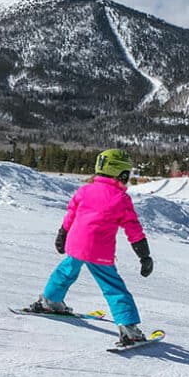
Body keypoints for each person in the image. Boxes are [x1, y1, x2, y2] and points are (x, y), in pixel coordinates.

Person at [25, 148, 155, 346]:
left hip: (76, 244)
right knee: (113, 287)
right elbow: (134, 230)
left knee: (66, 271)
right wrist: (144, 256)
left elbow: (71, 214)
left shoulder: (84, 190)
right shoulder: (121, 199)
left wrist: (62, 234)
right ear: (121, 173)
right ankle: (129, 329)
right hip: (99, 250)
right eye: (127, 173)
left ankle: (50, 301)